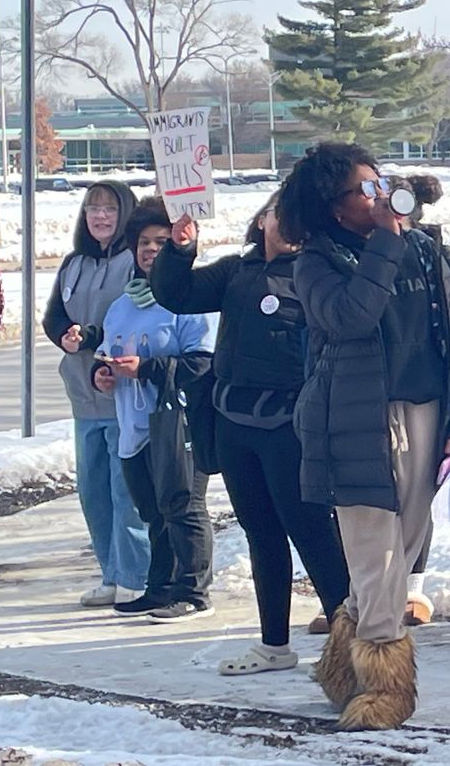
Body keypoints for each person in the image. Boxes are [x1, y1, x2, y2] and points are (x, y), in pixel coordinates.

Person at [280, 142, 450, 731]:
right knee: (377, 551)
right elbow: (351, 316)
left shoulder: (422, 248)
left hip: (427, 409)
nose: (379, 195)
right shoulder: (316, 262)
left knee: (407, 544)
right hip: (357, 419)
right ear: (335, 205)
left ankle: (342, 668)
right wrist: (385, 244)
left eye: (381, 183)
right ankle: (383, 684)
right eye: (364, 189)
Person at [149, 196, 352, 674]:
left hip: (289, 425)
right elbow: (176, 294)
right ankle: (273, 645)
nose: (288, 222)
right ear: (262, 220)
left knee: (313, 533)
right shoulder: (236, 270)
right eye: (280, 212)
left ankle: (353, 648)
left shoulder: (315, 274)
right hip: (235, 422)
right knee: (260, 533)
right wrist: (180, 250)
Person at [92, 197, 216, 624]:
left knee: (183, 507)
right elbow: (106, 350)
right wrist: (102, 373)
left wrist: (146, 369)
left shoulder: (190, 299)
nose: (150, 249)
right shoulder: (121, 305)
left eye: (161, 242)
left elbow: (203, 362)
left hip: (178, 423)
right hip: (133, 425)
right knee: (152, 511)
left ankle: (193, 592)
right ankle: (160, 587)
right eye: (144, 242)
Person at [42, 181, 150, 608]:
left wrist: (89, 336)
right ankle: (111, 574)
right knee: (94, 492)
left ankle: (136, 576)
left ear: (125, 215)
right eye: (93, 208)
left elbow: (130, 318)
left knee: (127, 493)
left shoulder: (133, 263)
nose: (100, 216)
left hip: (122, 394)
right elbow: (54, 315)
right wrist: (65, 335)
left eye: (109, 209)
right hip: (83, 397)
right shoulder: (74, 264)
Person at [393, 172, 450, 627]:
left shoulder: (441, 261)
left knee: (417, 498)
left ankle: (412, 587)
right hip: (377, 400)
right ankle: (362, 593)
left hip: (429, 397)